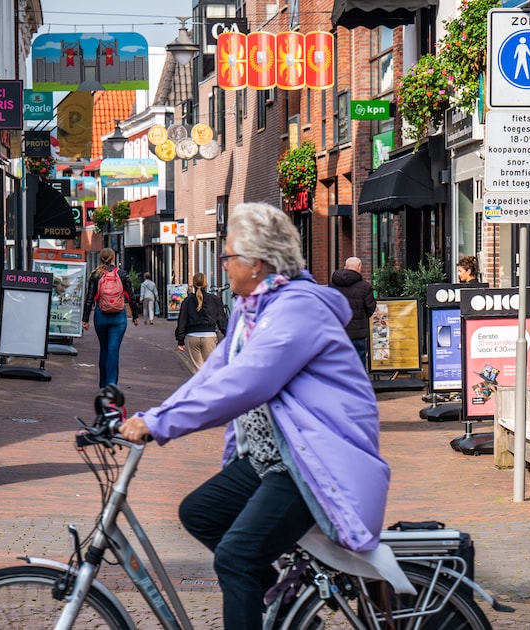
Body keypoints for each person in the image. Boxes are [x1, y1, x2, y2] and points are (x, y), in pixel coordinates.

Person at [119, 202, 388, 630]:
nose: (223, 264)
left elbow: (247, 383)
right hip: (275, 458)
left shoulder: (295, 310)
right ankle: (281, 608)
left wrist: (159, 425)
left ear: (257, 263)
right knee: (200, 513)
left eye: (228, 255)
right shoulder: (252, 312)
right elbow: (212, 376)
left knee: (236, 557)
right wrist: (154, 416)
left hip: (313, 463)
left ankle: (268, 605)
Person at [82, 248, 138, 387]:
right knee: (113, 351)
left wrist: (85, 319)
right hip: (118, 317)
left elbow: (89, 298)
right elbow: (131, 296)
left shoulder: (96, 275)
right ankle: (112, 386)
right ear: (113, 258)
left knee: (104, 349)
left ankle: (102, 386)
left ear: (100, 258)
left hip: (101, 315)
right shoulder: (122, 274)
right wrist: (135, 315)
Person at [330, 256, 377, 367]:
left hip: (339, 330)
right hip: (358, 332)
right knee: (359, 363)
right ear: (359, 267)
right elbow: (370, 308)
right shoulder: (365, 287)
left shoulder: (333, 284)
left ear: (345, 267)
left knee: (340, 362)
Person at [175, 272, 228, 370]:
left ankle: (201, 385)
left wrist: (180, 340)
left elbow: (182, 320)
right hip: (209, 336)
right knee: (211, 368)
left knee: (198, 370)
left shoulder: (187, 301)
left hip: (193, 336)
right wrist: (227, 335)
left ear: (193, 284)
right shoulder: (214, 299)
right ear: (206, 284)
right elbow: (222, 320)